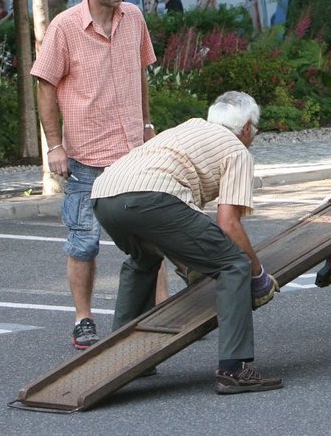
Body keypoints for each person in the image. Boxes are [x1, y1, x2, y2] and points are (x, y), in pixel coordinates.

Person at [91, 91, 282, 394]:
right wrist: (258, 275)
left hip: (104, 195)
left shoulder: (189, 127)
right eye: (254, 130)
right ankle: (233, 370)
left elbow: (183, 228)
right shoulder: (237, 151)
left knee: (143, 259)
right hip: (152, 197)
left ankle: (122, 356)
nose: (253, 136)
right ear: (246, 128)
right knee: (234, 264)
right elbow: (228, 223)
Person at [31, 0, 166, 352]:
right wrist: (54, 145)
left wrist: (146, 123)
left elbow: (142, 72)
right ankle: (83, 318)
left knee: (152, 235)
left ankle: (162, 309)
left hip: (133, 152)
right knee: (84, 241)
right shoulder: (65, 27)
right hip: (86, 156)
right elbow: (45, 85)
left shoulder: (134, 18)